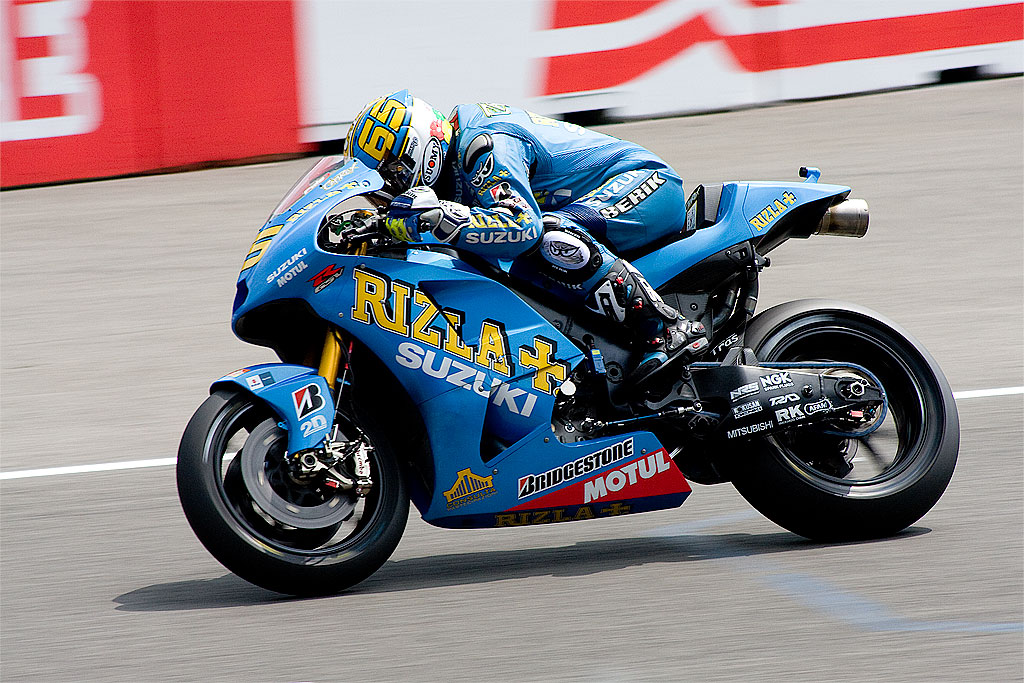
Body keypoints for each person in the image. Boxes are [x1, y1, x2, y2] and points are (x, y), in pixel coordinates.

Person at [345, 90, 708, 385]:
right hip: (583, 209)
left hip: (643, 183)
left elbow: (522, 228)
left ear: (420, 149)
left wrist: (432, 219)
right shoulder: (451, 174)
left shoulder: (484, 142)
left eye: (392, 174)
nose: (388, 191)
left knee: (550, 236)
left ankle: (670, 327)